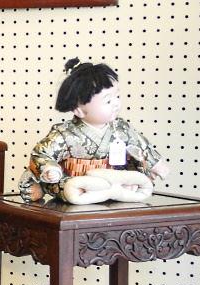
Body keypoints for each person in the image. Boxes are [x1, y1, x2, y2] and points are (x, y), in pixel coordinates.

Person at [18, 59, 170, 204]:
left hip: (114, 177)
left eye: (117, 96)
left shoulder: (122, 128)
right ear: (79, 110)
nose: (116, 103)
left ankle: (116, 189)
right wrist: (51, 169)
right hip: (76, 179)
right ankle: (90, 190)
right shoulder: (64, 133)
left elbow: (141, 145)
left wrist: (156, 165)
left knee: (134, 176)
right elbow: (42, 153)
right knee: (70, 187)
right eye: (108, 100)